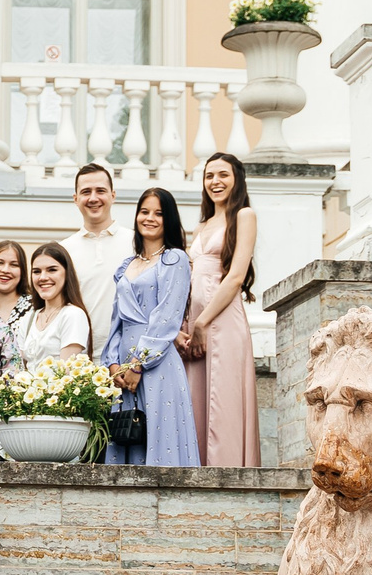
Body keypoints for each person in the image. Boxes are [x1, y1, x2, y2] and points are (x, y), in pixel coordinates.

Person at [103, 186, 199, 468]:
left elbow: (167, 316)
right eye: (144, 212)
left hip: (156, 364)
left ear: (169, 219)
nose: (150, 218)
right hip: (123, 368)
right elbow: (117, 320)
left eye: (158, 213)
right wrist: (113, 364)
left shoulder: (174, 259)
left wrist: (138, 363)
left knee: (159, 438)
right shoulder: (126, 265)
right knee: (126, 435)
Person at [182, 151, 262, 468]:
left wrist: (203, 322)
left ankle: (228, 469)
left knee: (224, 397)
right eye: (209, 176)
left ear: (236, 179)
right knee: (197, 396)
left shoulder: (244, 216)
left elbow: (237, 276)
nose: (215, 181)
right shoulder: (200, 226)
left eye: (223, 174)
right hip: (194, 319)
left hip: (223, 318)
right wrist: (189, 324)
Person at [67, 163, 125, 329]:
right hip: (80, 344)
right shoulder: (64, 250)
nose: (93, 198)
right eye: (86, 192)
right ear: (76, 199)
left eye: (100, 191)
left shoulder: (136, 242)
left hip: (128, 344)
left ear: (113, 196)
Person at [18, 241, 94, 363]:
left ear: (67, 273)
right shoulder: (29, 318)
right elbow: (20, 365)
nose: (43, 277)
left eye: (52, 270)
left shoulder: (73, 315)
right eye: (36, 271)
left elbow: (66, 370)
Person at [0, 241, 34, 342]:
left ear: (22, 271)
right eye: (0, 263)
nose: (5, 270)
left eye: (14, 265)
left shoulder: (36, 308)